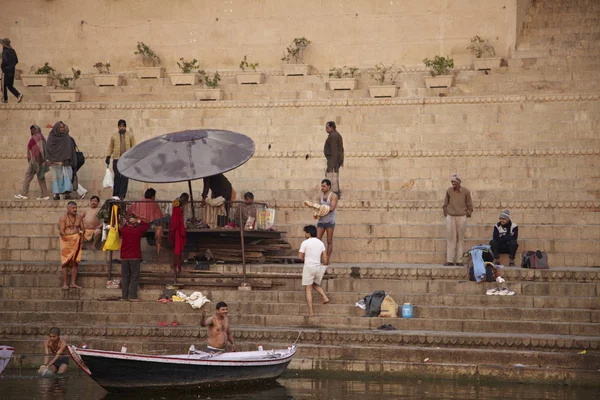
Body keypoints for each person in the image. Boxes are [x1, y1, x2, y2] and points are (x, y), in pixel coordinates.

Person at [442, 173, 473, 266]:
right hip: (450, 216)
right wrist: (446, 213)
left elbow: (470, 205)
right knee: (451, 238)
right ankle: (450, 260)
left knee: (460, 239)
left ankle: (459, 261)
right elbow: (445, 204)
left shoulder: (466, 191)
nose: (453, 183)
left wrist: (466, 214)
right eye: (452, 181)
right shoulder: (449, 191)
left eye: (455, 181)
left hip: (461, 217)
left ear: (459, 182)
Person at [299, 225, 329, 317]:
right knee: (315, 284)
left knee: (308, 288)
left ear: (308, 233)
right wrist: (324, 265)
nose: (305, 234)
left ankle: (311, 312)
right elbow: (325, 258)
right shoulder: (320, 243)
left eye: (305, 232)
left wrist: (306, 260)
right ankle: (324, 297)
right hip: (318, 267)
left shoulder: (305, 243)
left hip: (309, 267)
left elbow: (300, 257)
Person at [14, 125, 50, 200]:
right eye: (31, 130)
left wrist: (34, 159)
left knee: (28, 175)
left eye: (33, 130)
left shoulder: (37, 137)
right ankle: (45, 195)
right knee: (40, 176)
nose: (32, 131)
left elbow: (35, 149)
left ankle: (24, 194)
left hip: (35, 161)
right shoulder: (41, 137)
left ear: (36, 130)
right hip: (40, 160)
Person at [119, 215, 149, 301]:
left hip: (124, 257)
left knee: (125, 276)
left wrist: (126, 223)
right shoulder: (138, 230)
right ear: (134, 223)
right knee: (134, 276)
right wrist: (139, 221)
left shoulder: (123, 230)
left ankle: (124, 296)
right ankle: (132, 296)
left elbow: (122, 227)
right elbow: (146, 225)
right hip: (135, 256)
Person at [46, 121, 77, 200]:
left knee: (67, 177)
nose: (62, 129)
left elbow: (70, 149)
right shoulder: (51, 137)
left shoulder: (66, 137)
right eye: (60, 127)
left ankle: (67, 194)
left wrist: (71, 160)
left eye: (63, 127)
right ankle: (57, 194)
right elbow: (49, 149)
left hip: (65, 162)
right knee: (56, 178)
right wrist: (51, 159)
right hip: (55, 163)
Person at [105, 119, 135, 199]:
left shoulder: (130, 135)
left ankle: (122, 195)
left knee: (125, 177)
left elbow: (134, 147)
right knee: (117, 176)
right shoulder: (114, 136)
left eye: (123, 126)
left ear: (125, 126)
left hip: (126, 160)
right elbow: (111, 146)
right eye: (120, 126)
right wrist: (108, 156)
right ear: (118, 127)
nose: (121, 128)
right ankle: (115, 195)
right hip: (116, 159)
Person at [58, 201, 84, 289]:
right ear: (68, 208)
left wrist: (81, 239)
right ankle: (65, 284)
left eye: (76, 208)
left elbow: (82, 229)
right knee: (65, 262)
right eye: (73, 208)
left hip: (76, 241)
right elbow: (62, 231)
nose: (75, 210)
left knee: (75, 262)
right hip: (66, 242)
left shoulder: (79, 217)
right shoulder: (63, 218)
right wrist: (70, 238)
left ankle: (73, 283)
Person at [316, 179, 338, 262]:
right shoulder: (320, 196)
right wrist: (316, 211)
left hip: (330, 221)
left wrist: (321, 209)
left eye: (324, 186)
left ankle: (326, 259)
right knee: (318, 241)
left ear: (328, 186)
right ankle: (319, 258)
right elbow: (318, 207)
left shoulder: (333, 196)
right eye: (321, 186)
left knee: (329, 241)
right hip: (321, 221)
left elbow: (332, 208)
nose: (322, 188)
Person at [323, 121, 344, 199]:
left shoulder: (333, 136)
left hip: (333, 162)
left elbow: (334, 150)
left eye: (327, 128)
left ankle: (333, 195)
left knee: (332, 178)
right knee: (333, 177)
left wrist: (332, 164)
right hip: (334, 161)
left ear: (331, 127)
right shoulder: (335, 135)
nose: (326, 129)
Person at [1, 38, 23, 104]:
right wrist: (11, 65)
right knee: (10, 85)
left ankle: (5, 99)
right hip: (12, 70)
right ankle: (18, 95)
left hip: (6, 71)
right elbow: (16, 60)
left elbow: (5, 60)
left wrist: (2, 67)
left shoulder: (5, 51)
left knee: (4, 85)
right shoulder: (12, 50)